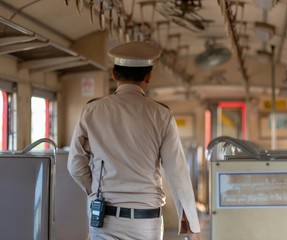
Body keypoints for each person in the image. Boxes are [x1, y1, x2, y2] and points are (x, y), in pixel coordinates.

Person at [67, 41, 201, 240]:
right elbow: (177, 171)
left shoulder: (92, 110)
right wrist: (192, 225)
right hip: (146, 222)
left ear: (114, 74)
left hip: (105, 218)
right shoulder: (161, 114)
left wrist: (96, 191)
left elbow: (75, 165)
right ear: (148, 76)